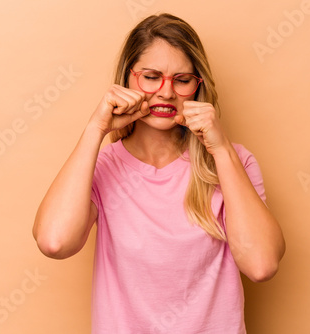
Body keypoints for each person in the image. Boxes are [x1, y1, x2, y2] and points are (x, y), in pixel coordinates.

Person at [32, 13, 285, 334]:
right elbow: (54, 242)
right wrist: (95, 129)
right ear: (127, 78)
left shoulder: (235, 163)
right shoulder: (101, 166)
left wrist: (221, 150)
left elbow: (261, 265)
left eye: (181, 79)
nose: (166, 92)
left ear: (198, 85)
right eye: (151, 77)